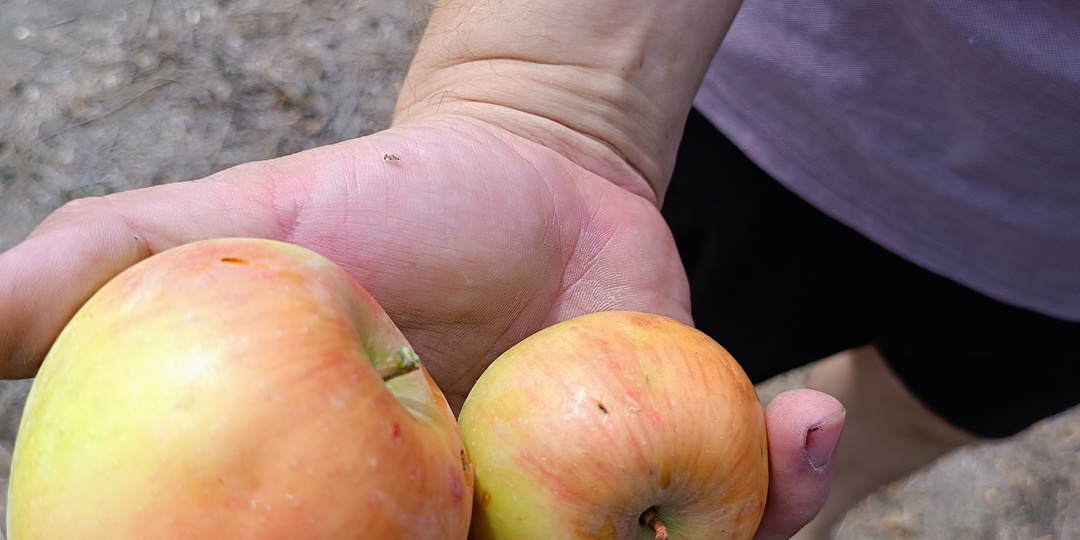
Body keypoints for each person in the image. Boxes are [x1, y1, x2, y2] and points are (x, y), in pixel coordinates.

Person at [0, 0, 1075, 538]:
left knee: (927, 409)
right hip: (740, 109)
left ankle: (829, 488)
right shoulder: (595, 295)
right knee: (666, 398)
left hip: (1056, 269)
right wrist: (547, 99)